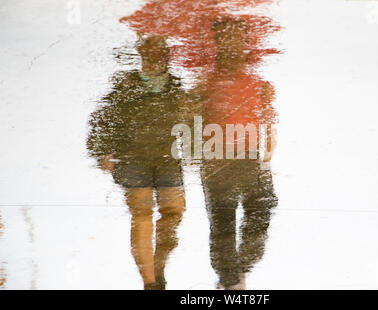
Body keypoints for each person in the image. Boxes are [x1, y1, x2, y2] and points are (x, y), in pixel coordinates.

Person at [87, 36, 191, 290]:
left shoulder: (176, 86)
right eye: (149, 54)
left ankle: (159, 265)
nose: (154, 59)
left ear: (166, 57)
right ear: (142, 57)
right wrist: (102, 151)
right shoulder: (126, 85)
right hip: (134, 156)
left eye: (159, 54)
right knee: (142, 215)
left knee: (174, 213)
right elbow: (103, 116)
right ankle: (149, 282)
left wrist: (196, 150)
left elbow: (191, 119)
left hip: (168, 157)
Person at [199, 16, 278, 289]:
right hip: (216, 157)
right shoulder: (206, 81)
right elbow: (191, 119)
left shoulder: (259, 83)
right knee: (223, 219)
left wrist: (267, 152)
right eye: (226, 38)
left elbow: (269, 120)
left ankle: (235, 271)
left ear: (245, 43)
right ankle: (230, 281)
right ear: (218, 43)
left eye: (238, 38)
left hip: (249, 157)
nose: (233, 45)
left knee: (263, 208)